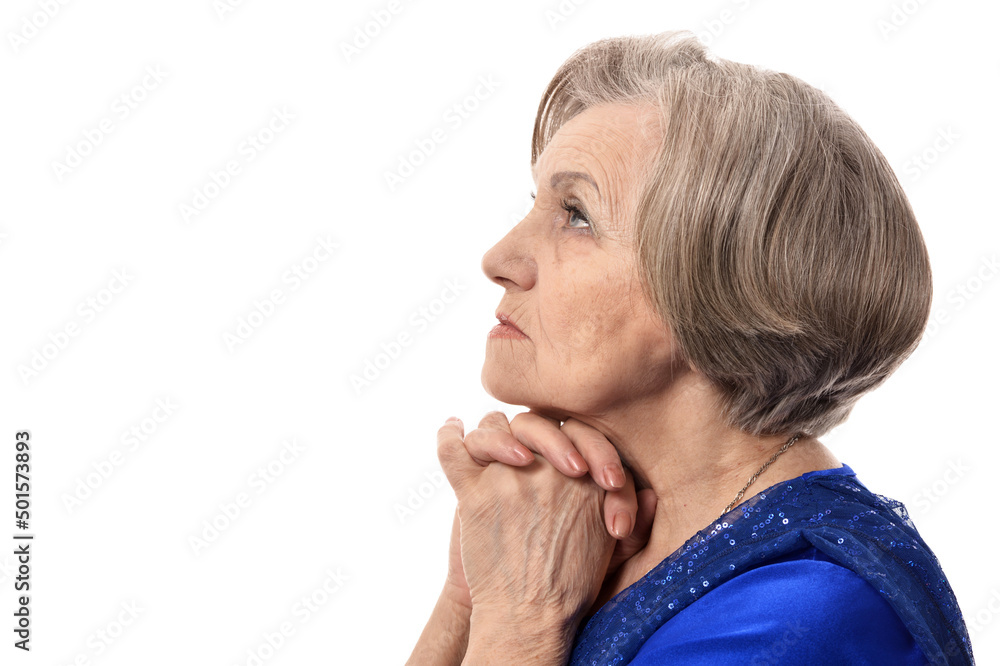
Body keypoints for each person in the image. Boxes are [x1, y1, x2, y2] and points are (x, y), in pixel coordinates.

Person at [407, 31, 974, 665]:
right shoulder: (581, 537)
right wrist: (468, 602)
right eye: (534, 203)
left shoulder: (800, 618)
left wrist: (521, 620)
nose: (500, 259)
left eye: (577, 215)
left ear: (730, 284)